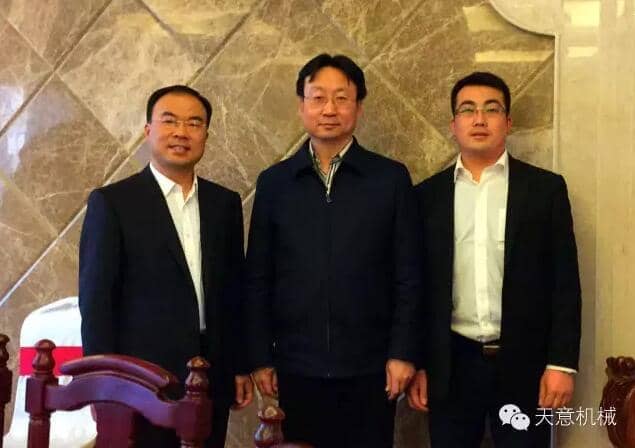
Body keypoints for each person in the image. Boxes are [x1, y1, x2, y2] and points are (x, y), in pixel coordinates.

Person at [244, 54, 423, 448]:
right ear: (301, 106)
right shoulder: (275, 183)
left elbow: (409, 274)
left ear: (358, 108)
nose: (329, 109)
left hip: (371, 367)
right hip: (295, 366)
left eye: (341, 98)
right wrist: (259, 357)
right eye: (318, 97)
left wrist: (403, 353)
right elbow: (258, 277)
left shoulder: (389, 179)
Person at [408, 71, 581, 447]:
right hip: (451, 365)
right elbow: (417, 289)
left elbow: (564, 283)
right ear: (453, 124)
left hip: (524, 363)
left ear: (508, 121)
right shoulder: (427, 197)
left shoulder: (544, 190)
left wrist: (561, 364)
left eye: (491, 109)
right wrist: (418, 362)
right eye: (467, 110)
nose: (479, 119)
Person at [79, 85, 253, 448]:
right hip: (140, 379)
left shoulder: (224, 204)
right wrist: (101, 382)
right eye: (169, 121)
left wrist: (238, 365)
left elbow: (235, 292)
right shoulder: (114, 203)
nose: (181, 132)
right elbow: (96, 301)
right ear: (148, 130)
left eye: (194, 123)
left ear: (206, 135)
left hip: (211, 375)